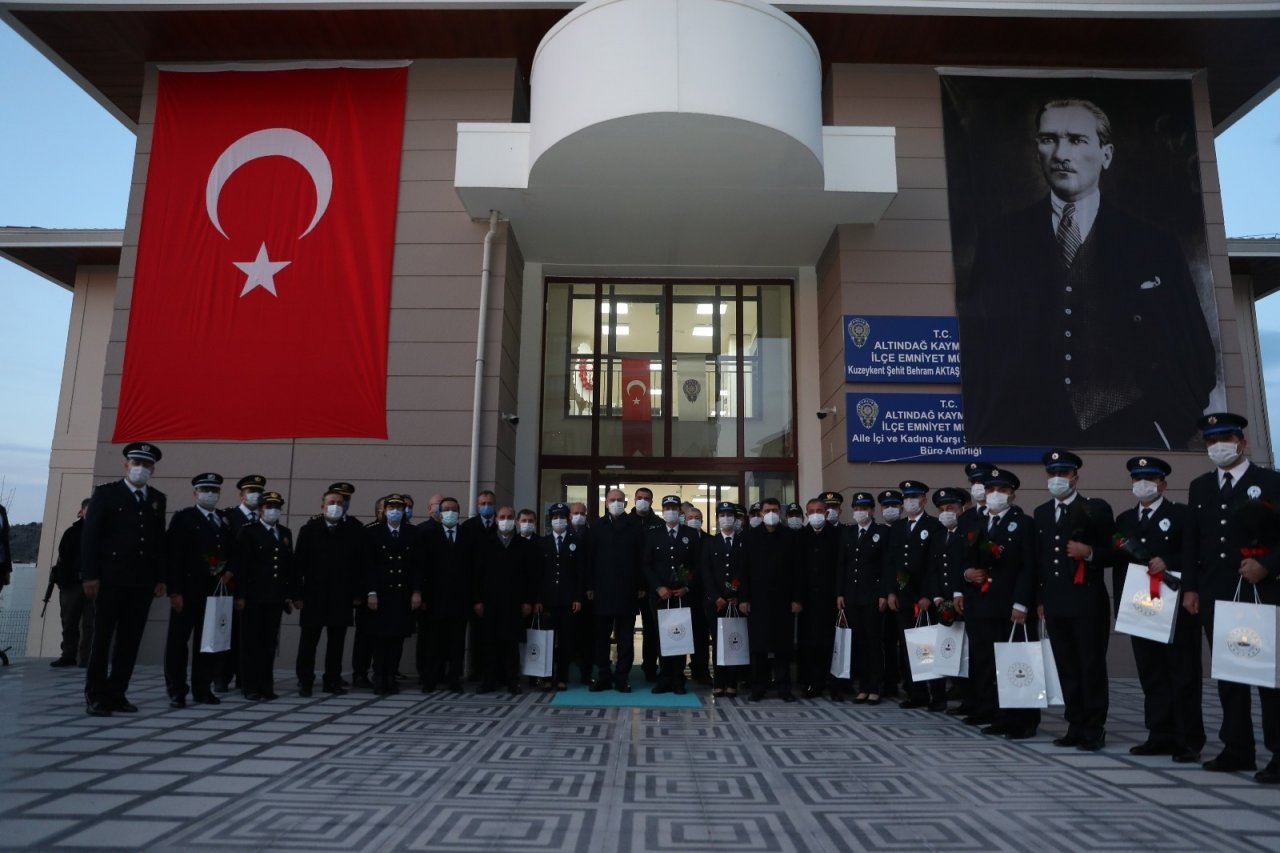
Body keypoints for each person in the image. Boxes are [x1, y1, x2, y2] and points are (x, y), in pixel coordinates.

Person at [957, 97, 1216, 449]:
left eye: (1077, 140)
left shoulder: (1154, 245)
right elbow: (977, 346)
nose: (1062, 153)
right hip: (1025, 435)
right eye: (1049, 139)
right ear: (1037, 150)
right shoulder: (1001, 240)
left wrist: (1167, 428)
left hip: (1131, 432)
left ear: (1106, 154)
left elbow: (1194, 352)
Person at [1184, 412, 1280, 783]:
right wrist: (1191, 588)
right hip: (1216, 593)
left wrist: (1268, 566)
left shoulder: (1270, 483)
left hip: (1261, 591)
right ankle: (1237, 748)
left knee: (1269, 676)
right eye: (1210, 440)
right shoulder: (1201, 487)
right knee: (1230, 674)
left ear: (1243, 443)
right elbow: (1194, 541)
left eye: (1225, 438)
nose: (1218, 446)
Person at [1113, 456, 1204, 762]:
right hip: (1141, 608)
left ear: (1163, 483)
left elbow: (1195, 553)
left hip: (1175, 606)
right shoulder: (1125, 519)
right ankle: (1159, 733)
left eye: (1150, 479)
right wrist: (1120, 609)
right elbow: (1119, 567)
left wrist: (1171, 561)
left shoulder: (1180, 515)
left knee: (1183, 672)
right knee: (1151, 673)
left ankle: (1188, 739)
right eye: (1138, 479)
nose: (1143, 485)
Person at [1032, 449, 1115, 751]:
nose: (1057, 479)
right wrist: (1040, 598)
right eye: (1052, 474)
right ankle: (1075, 723)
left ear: (1075, 477)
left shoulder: (1094, 508)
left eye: (1063, 474)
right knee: (1066, 665)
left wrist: (1090, 553)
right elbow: (1040, 560)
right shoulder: (1041, 512)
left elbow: (1113, 552)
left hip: (1087, 601)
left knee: (1090, 664)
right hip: (1056, 602)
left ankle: (1094, 727)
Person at [81, 442, 168, 716]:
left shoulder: (156, 498)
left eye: (146, 464)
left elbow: (157, 541)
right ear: (126, 465)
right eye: (136, 463)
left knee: (130, 640)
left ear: (153, 468)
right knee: (102, 638)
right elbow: (90, 537)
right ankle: (96, 695)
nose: (140, 469)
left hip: (141, 581)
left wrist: (160, 577)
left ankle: (118, 692)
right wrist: (90, 575)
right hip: (110, 579)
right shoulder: (106, 494)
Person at [961, 468, 1040, 739]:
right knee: (986, 661)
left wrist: (1022, 603)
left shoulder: (1023, 523)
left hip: (1010, 607)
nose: (995, 495)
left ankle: (1024, 720)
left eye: (1002, 490)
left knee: (1015, 662)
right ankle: (995, 713)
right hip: (981, 602)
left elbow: (1028, 566)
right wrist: (967, 574)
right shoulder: (978, 523)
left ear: (1012, 495)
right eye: (991, 489)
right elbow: (966, 559)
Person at [163, 473, 233, 707]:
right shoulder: (184, 518)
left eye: (214, 490)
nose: (210, 494)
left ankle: (202, 688)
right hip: (186, 590)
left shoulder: (224, 519)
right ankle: (177, 690)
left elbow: (231, 552)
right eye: (205, 490)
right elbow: (172, 556)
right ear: (195, 493)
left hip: (213, 592)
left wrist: (228, 571)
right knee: (178, 643)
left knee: (208, 643)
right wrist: (174, 591)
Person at [293, 487, 365, 696]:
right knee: (309, 641)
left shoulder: (352, 530)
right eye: (331, 503)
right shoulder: (310, 529)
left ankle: (332, 680)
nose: (335, 506)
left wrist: (357, 594)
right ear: (322, 506)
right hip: (314, 595)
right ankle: (305, 681)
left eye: (339, 503)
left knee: (336, 643)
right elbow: (299, 565)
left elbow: (358, 566)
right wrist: (297, 594)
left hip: (341, 596)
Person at [883, 480, 947, 711]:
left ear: (924, 500)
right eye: (907, 497)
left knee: (929, 647)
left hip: (925, 598)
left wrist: (928, 594)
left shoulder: (934, 525)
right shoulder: (899, 528)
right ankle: (916, 693)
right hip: (904, 597)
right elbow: (892, 562)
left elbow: (934, 564)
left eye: (915, 497)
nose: (910, 501)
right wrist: (891, 591)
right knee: (910, 647)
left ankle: (937, 695)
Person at [232, 491, 293, 701]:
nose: (272, 510)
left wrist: (287, 595)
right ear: (259, 510)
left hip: (274, 597)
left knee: (268, 643)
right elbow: (242, 566)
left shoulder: (285, 533)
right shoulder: (249, 531)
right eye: (268, 506)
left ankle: (266, 685)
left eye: (276, 507)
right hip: (253, 596)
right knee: (251, 643)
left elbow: (287, 567)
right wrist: (240, 595)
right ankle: (250, 687)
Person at [363, 494, 424, 695]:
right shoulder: (374, 533)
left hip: (402, 593)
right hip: (381, 593)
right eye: (391, 507)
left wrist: (416, 591)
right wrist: (371, 592)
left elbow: (418, 566)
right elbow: (368, 565)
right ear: (384, 510)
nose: (395, 511)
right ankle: (379, 676)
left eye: (399, 507)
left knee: (397, 637)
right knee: (381, 638)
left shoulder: (413, 533)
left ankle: (391, 676)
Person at [585, 488, 645, 693]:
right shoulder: (597, 526)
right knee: (601, 638)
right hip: (602, 592)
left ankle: (622, 677)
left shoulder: (635, 526)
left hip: (628, 591)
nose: (616, 503)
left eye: (620, 500)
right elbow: (590, 560)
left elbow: (642, 560)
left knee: (625, 639)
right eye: (612, 500)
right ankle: (603, 675)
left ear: (626, 503)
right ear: (606, 503)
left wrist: (641, 586)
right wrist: (590, 586)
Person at [741, 498, 800, 702]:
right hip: (757, 601)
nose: (771, 513)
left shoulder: (790, 537)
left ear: (780, 513)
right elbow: (744, 570)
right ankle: (759, 687)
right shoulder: (750, 537)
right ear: (760, 513)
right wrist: (744, 598)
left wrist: (796, 598)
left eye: (775, 510)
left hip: (784, 601)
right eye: (767, 510)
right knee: (758, 647)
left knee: (783, 647)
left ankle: (784, 688)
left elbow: (798, 571)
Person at [473, 505, 535, 694]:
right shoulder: (485, 543)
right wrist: (477, 600)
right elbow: (477, 574)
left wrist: (527, 601)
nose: (506, 520)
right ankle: (489, 680)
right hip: (490, 602)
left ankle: (512, 681)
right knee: (490, 643)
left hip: (514, 602)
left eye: (509, 517)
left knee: (511, 644)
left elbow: (529, 576)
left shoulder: (522, 545)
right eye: (502, 517)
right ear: (496, 519)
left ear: (514, 520)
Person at [215, 473, 266, 693]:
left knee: (251, 635)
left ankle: (244, 677)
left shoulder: (265, 519)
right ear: (241, 494)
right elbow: (219, 549)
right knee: (228, 632)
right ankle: (221, 676)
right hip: (231, 584)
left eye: (258, 492)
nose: (255, 495)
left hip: (255, 587)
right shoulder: (228, 517)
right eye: (250, 491)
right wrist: (223, 572)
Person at [836, 493, 887, 704]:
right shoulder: (848, 533)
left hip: (873, 597)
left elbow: (886, 566)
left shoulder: (881, 532)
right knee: (857, 643)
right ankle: (863, 687)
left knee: (873, 641)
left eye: (864, 508)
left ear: (872, 510)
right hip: (852, 596)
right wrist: (840, 593)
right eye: (856, 507)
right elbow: (842, 565)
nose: (860, 511)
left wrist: (884, 593)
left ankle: (874, 687)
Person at [643, 495, 697, 695]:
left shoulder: (690, 534)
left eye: (674, 507)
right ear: (662, 510)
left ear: (680, 511)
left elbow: (697, 565)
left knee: (679, 637)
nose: (671, 511)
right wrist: (658, 587)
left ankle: (678, 679)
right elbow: (646, 565)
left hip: (682, 595)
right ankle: (664, 677)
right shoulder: (653, 534)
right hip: (660, 596)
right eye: (667, 507)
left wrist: (687, 587)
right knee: (662, 637)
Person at [420, 496, 475, 692]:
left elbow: (473, 569)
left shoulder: (468, 535)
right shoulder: (429, 535)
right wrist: (423, 596)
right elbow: (423, 568)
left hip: (460, 599)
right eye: (446, 509)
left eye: (453, 509)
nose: (450, 512)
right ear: (440, 512)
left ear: (458, 512)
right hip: (435, 599)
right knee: (433, 642)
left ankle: (454, 679)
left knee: (457, 643)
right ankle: (430, 679)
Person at [701, 501, 749, 697]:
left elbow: (746, 571)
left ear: (735, 518)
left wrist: (737, 595)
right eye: (722, 515)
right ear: (717, 518)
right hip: (716, 603)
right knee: (718, 641)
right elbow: (706, 572)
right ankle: (718, 681)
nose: (726, 518)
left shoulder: (743, 542)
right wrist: (716, 597)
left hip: (736, 603)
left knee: (734, 641)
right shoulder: (709, 543)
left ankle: (732, 682)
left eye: (730, 515)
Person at [930, 487, 971, 713]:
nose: (946, 513)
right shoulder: (938, 536)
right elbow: (933, 569)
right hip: (942, 601)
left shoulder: (968, 533)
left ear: (961, 508)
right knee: (946, 651)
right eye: (942, 509)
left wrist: (960, 594)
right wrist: (936, 596)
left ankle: (968, 699)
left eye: (951, 508)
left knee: (965, 653)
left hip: (963, 601)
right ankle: (943, 696)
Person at [533, 503, 582, 691]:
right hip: (547, 601)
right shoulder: (542, 543)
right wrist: (537, 599)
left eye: (562, 517)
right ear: (550, 520)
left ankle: (562, 677)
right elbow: (538, 574)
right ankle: (546, 677)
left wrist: (578, 597)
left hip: (568, 600)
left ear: (567, 519)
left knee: (566, 641)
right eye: (555, 517)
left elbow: (579, 573)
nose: (558, 520)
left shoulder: (575, 541)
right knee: (546, 640)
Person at [798, 497, 840, 699]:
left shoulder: (838, 534)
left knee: (833, 643)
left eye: (820, 510)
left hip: (831, 599)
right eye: (812, 511)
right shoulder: (801, 536)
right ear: (807, 515)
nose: (816, 514)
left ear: (827, 513)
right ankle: (814, 683)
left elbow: (843, 567)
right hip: (808, 601)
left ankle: (836, 685)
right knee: (810, 644)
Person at [50, 499, 93, 668]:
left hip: (95, 584)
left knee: (91, 624)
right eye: (89, 509)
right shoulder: (72, 532)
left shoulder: (105, 532)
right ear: (81, 511)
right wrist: (64, 582)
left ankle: (86, 658)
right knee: (69, 622)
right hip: (72, 584)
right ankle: (68, 655)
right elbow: (63, 558)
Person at [630, 487, 663, 683]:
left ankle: (650, 667)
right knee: (624, 628)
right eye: (640, 498)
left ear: (652, 501)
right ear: (634, 500)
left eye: (647, 498)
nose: (643, 501)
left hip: (652, 586)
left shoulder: (658, 524)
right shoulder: (625, 522)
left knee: (652, 629)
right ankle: (622, 668)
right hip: (629, 585)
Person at [877, 488, 904, 698]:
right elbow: (882, 567)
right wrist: (886, 593)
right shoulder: (880, 532)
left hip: (907, 595)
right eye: (886, 506)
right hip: (884, 596)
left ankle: (915, 684)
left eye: (894, 506)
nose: (890, 510)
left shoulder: (905, 528)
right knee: (886, 641)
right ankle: (890, 681)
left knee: (910, 641)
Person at [569, 501, 595, 685]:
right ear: (570, 515)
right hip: (566, 594)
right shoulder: (563, 534)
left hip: (587, 594)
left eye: (582, 512)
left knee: (587, 636)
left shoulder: (592, 535)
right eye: (575, 512)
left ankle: (586, 672)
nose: (578, 515)